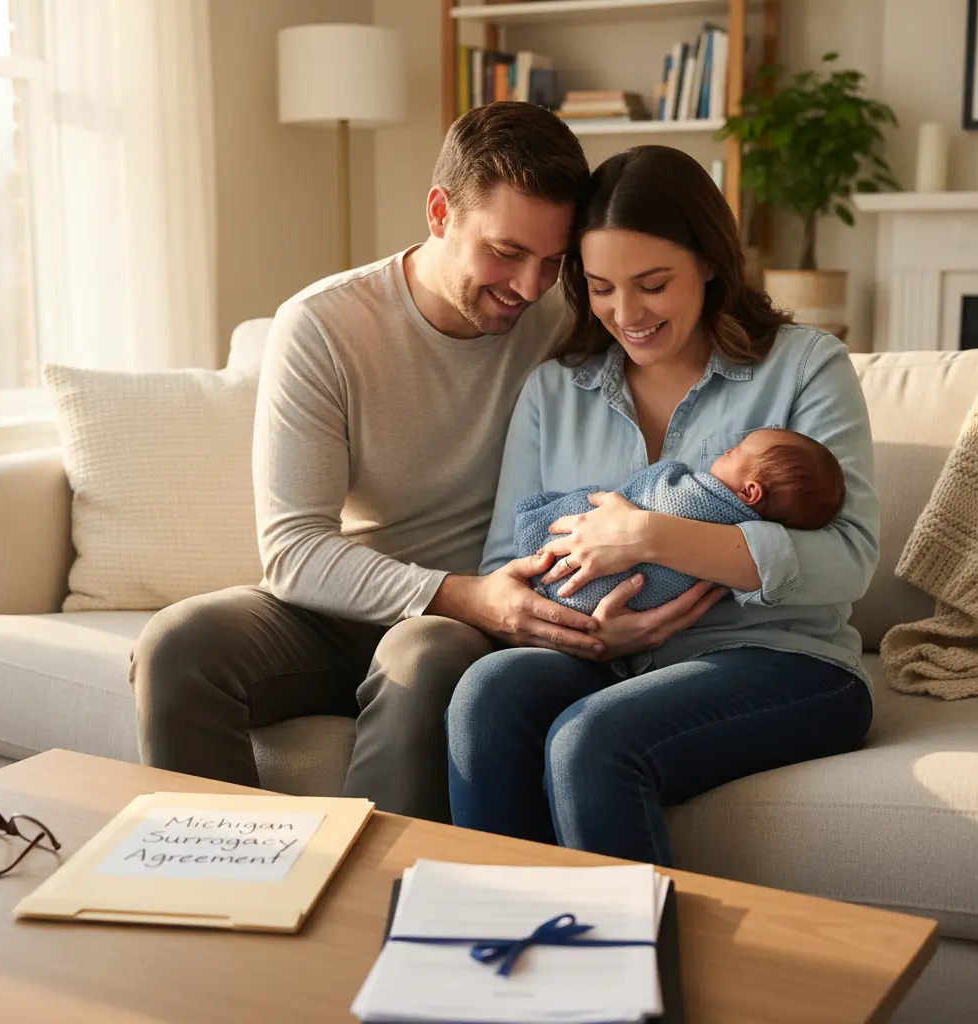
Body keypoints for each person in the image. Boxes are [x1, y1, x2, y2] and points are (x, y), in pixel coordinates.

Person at [131, 102, 632, 824]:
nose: (528, 286)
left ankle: (368, 916)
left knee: (419, 658)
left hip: (470, 624)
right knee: (180, 643)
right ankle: (213, 893)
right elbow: (295, 552)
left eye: (551, 261)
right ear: (439, 213)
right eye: (505, 252)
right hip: (355, 606)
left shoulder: (567, 325)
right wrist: (462, 592)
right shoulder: (325, 326)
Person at [446, 145, 879, 865]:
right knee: (488, 692)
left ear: (709, 261)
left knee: (591, 740)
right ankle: (503, 961)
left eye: (652, 284)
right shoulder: (555, 393)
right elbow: (505, 568)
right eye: (603, 288)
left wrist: (649, 536)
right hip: (602, 661)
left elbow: (849, 562)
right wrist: (587, 637)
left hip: (782, 661)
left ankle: (635, 978)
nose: (627, 313)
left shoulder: (805, 368)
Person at [516, 427, 845, 614]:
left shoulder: (700, 499)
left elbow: (659, 489)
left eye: (736, 452)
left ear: (750, 492)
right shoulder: (733, 539)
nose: (727, 450)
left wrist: (645, 524)